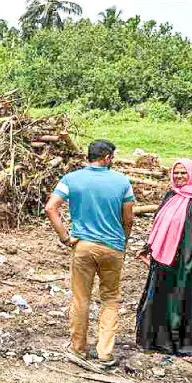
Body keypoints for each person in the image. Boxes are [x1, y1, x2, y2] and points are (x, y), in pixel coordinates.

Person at [45, 140, 135, 368]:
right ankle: (105, 352)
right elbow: (129, 218)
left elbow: (50, 207)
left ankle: (78, 348)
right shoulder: (122, 181)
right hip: (113, 247)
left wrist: (65, 236)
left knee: (81, 298)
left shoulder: (72, 179)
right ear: (106, 158)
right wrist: (122, 241)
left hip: (83, 246)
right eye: (111, 157)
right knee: (110, 298)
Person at [135, 159, 192, 362]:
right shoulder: (171, 195)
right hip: (162, 258)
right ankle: (156, 342)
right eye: (176, 173)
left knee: (179, 299)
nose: (178, 177)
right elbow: (159, 225)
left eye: (183, 173)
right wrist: (148, 247)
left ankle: (178, 343)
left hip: (186, 260)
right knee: (159, 296)